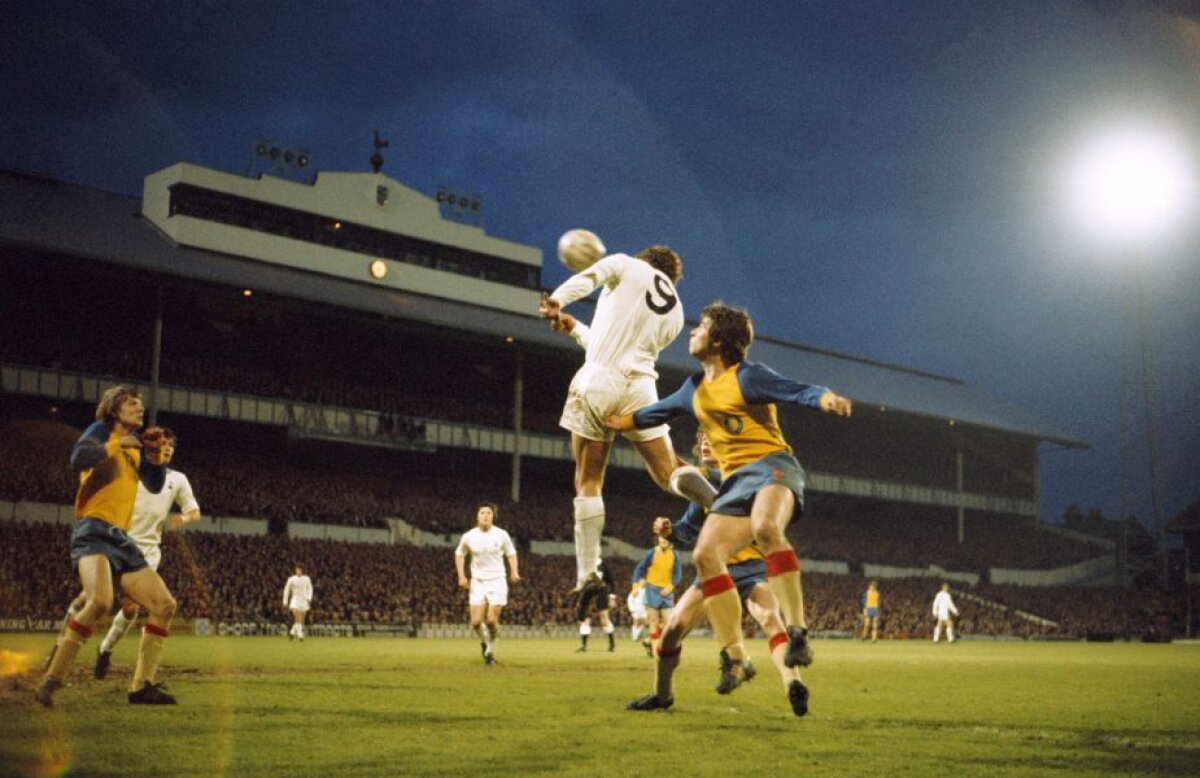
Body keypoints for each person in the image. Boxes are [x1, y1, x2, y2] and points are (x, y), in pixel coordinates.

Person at [607, 302, 852, 695]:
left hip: (773, 466)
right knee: (705, 556)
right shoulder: (694, 390)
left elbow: (799, 391)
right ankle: (735, 656)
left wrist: (827, 400)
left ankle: (798, 631)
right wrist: (618, 422)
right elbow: (655, 413)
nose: (692, 332)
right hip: (736, 482)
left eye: (700, 327)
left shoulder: (748, 377)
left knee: (766, 527)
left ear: (718, 340)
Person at [540, 245, 717, 590]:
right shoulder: (676, 313)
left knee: (589, 479)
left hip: (599, 381)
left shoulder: (624, 264)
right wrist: (576, 327)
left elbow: (590, 277)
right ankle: (718, 499)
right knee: (668, 471)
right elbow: (620, 348)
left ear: (644, 258)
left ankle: (589, 574)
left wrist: (557, 301)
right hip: (642, 391)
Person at [627, 431, 809, 716]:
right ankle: (662, 695)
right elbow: (688, 528)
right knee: (672, 629)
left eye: (713, 438)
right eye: (702, 441)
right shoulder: (707, 480)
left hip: (750, 566)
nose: (706, 443)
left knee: (771, 618)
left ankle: (793, 683)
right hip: (716, 570)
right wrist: (670, 531)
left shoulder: (750, 477)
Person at [36, 385, 178, 707]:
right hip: (93, 529)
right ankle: (52, 680)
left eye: (141, 406)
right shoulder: (102, 430)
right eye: (132, 404)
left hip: (121, 537)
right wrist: (117, 442)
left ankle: (141, 687)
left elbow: (155, 485)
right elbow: (78, 457)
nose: (140, 410)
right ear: (115, 409)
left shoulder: (137, 446)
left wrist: (154, 454)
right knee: (100, 601)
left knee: (164, 605)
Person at [454, 502, 520, 665]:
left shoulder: (501, 534)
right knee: (476, 622)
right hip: (477, 581)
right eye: (482, 512)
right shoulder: (469, 536)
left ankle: (490, 650)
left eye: (488, 513)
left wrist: (514, 571)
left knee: (491, 620)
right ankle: (484, 641)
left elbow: (511, 553)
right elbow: (459, 554)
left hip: (497, 580)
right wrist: (462, 576)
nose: (485, 515)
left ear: (493, 516)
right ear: (477, 517)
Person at [631, 531, 681, 656]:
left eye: (666, 538)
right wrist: (635, 586)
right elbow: (639, 569)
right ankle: (655, 651)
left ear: (670, 540)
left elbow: (677, 574)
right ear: (658, 539)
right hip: (652, 589)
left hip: (666, 591)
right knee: (653, 621)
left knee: (669, 624)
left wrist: (670, 587)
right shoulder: (651, 553)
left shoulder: (675, 554)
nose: (663, 540)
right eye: (661, 537)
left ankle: (650, 642)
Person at [575, 560, 616, 652]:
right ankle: (583, 646)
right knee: (585, 618)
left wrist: (612, 597)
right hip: (588, 593)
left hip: (601, 593)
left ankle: (612, 644)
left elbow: (612, 582)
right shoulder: (585, 565)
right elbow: (582, 582)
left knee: (604, 619)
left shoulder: (602, 565)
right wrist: (580, 598)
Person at [283, 565, 314, 641]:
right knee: (297, 616)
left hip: (304, 600)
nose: (298, 571)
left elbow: (310, 588)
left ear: (302, 570)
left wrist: (309, 598)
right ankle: (300, 635)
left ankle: (292, 632)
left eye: (300, 570)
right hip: (295, 600)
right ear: (295, 570)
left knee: (301, 619)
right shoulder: (291, 579)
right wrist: (285, 601)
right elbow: (286, 590)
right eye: (297, 570)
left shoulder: (307, 578)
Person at [626, 582, 651, 655]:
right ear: (639, 582)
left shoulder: (647, 590)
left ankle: (645, 638)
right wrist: (632, 609)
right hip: (637, 610)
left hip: (645, 610)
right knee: (636, 623)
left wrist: (649, 609)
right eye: (642, 581)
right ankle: (635, 637)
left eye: (644, 581)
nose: (643, 583)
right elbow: (630, 599)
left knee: (646, 624)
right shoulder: (635, 590)